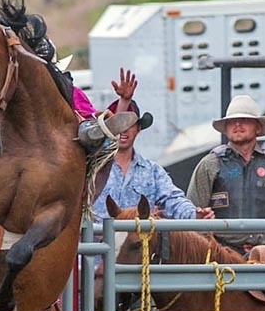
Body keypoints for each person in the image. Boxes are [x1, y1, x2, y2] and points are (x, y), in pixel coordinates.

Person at [187, 94, 265, 257]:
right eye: (232, 121)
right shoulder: (209, 165)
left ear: (258, 127)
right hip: (221, 254)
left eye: (245, 120)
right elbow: (192, 215)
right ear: (226, 128)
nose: (237, 124)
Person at [90, 71, 214, 221]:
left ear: (139, 129)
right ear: (108, 129)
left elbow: (173, 199)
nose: (123, 129)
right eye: (117, 124)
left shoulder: (152, 172)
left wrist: (193, 214)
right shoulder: (93, 168)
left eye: (130, 124)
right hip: (98, 243)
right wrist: (124, 101)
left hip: (136, 243)